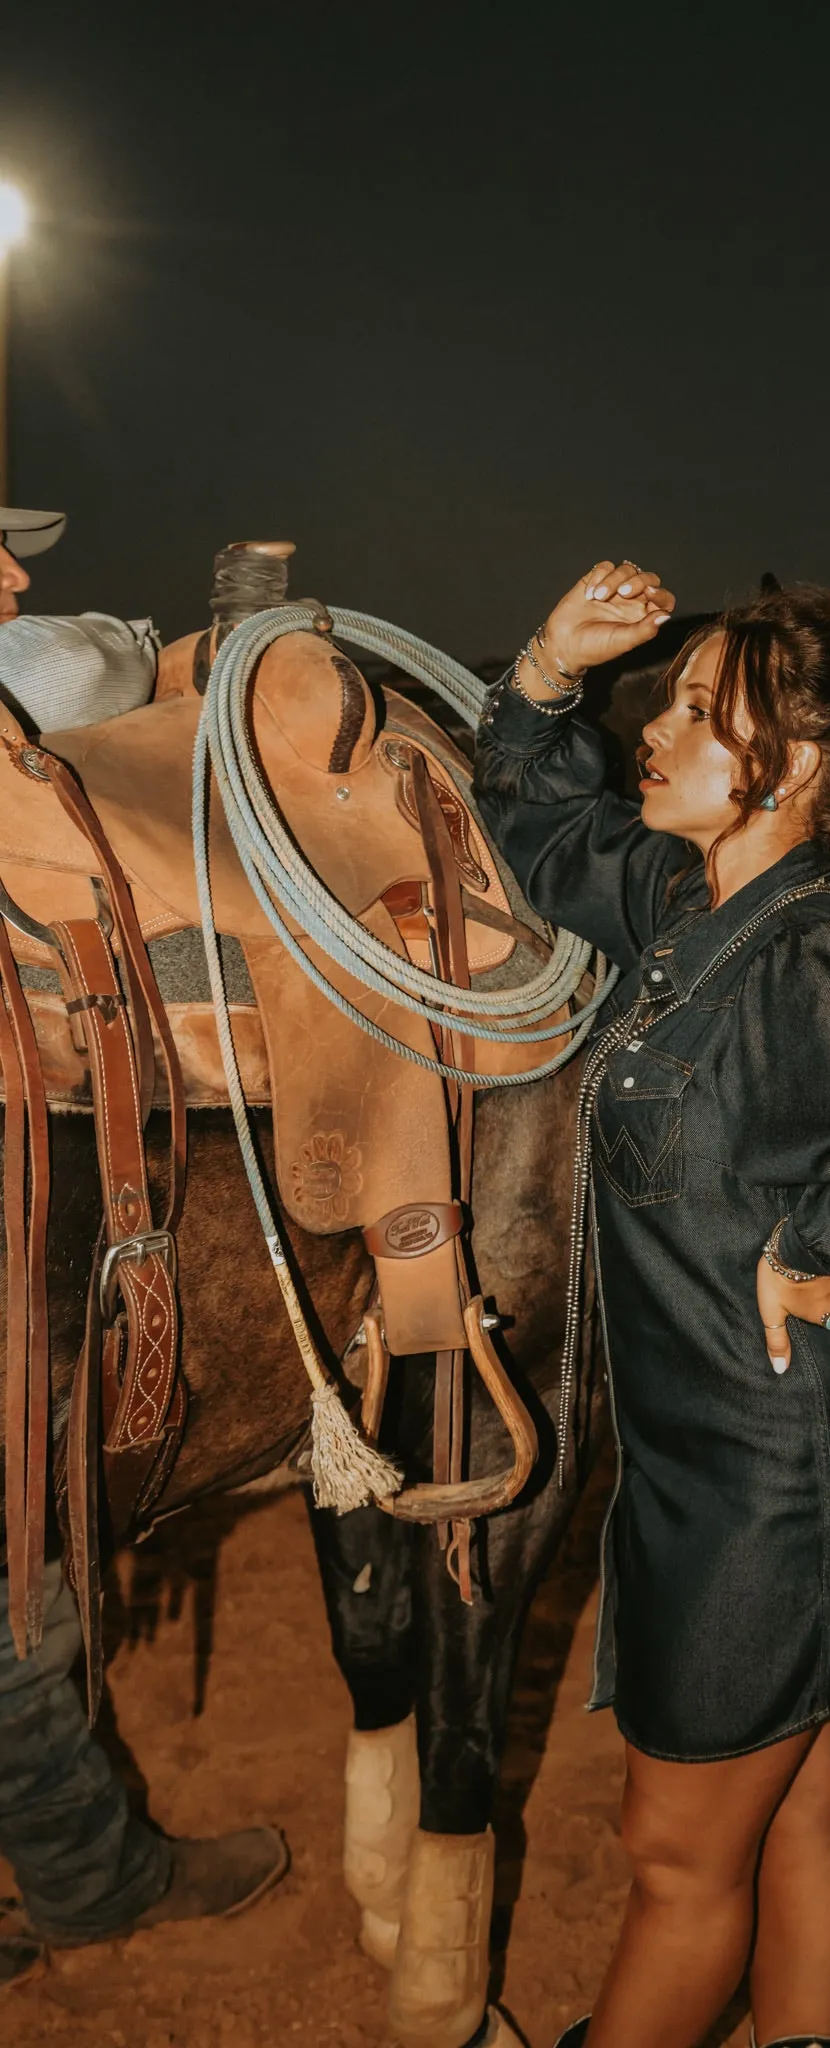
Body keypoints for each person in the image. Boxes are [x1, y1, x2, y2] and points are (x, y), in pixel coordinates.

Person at [473, 560, 830, 2048]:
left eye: (705, 711)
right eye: (677, 695)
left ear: (804, 770)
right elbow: (533, 823)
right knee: (805, 1805)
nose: (663, 724)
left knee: (676, 1858)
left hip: (772, 1486)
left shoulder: (815, 956)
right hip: (712, 1462)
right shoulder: (685, 900)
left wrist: (808, 1249)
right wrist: (546, 667)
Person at [0, 506, 287, 1991]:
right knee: (10, 1581)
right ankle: (91, 1872)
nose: (16, 573)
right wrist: (187, 648)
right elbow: (82, 665)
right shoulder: (29, 663)